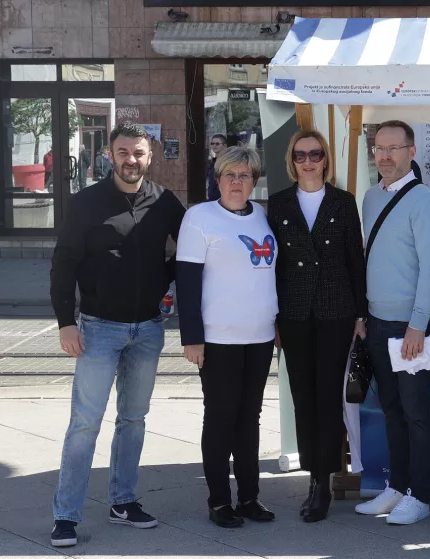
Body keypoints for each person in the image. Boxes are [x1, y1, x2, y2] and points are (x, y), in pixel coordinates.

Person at [49, 123, 186, 548]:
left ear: (150, 156)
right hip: (97, 329)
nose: (131, 159)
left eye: (139, 153)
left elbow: (193, 249)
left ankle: (123, 501)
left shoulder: (165, 202)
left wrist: (168, 281)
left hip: (147, 329)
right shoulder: (86, 202)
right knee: (85, 424)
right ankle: (66, 516)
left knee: (133, 420)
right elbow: (64, 263)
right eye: (123, 152)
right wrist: (65, 322)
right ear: (110, 155)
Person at [176, 146, 278, 528]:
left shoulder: (262, 217)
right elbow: (186, 282)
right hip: (218, 338)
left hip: (260, 335)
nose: (237, 182)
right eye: (230, 175)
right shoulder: (200, 217)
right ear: (217, 179)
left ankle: (249, 497)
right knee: (220, 418)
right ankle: (219, 501)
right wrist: (192, 337)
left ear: (254, 180)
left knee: (249, 418)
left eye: (245, 175)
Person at [268, 130, 366, 522]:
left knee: (328, 398)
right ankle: (312, 476)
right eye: (300, 155)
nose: (308, 161)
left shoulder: (342, 203)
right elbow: (272, 267)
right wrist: (272, 316)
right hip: (293, 315)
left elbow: (355, 260)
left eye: (315, 154)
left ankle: (325, 481)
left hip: (336, 313)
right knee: (302, 399)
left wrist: (361, 314)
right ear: (291, 161)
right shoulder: (277, 205)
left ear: (325, 159)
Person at [355, 120, 430, 525]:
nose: (385, 156)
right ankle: (397, 487)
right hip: (376, 323)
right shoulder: (371, 197)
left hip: (410, 327)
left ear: (411, 152)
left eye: (394, 148)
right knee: (391, 409)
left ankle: (419, 496)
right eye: (379, 148)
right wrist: (363, 315)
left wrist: (418, 325)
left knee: (417, 413)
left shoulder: (424, 200)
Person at [207, 134, 227, 201]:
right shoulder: (213, 162)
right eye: (212, 143)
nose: (214, 146)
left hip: (223, 199)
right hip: (213, 199)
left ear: (224, 146)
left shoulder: (227, 161)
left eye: (217, 144)